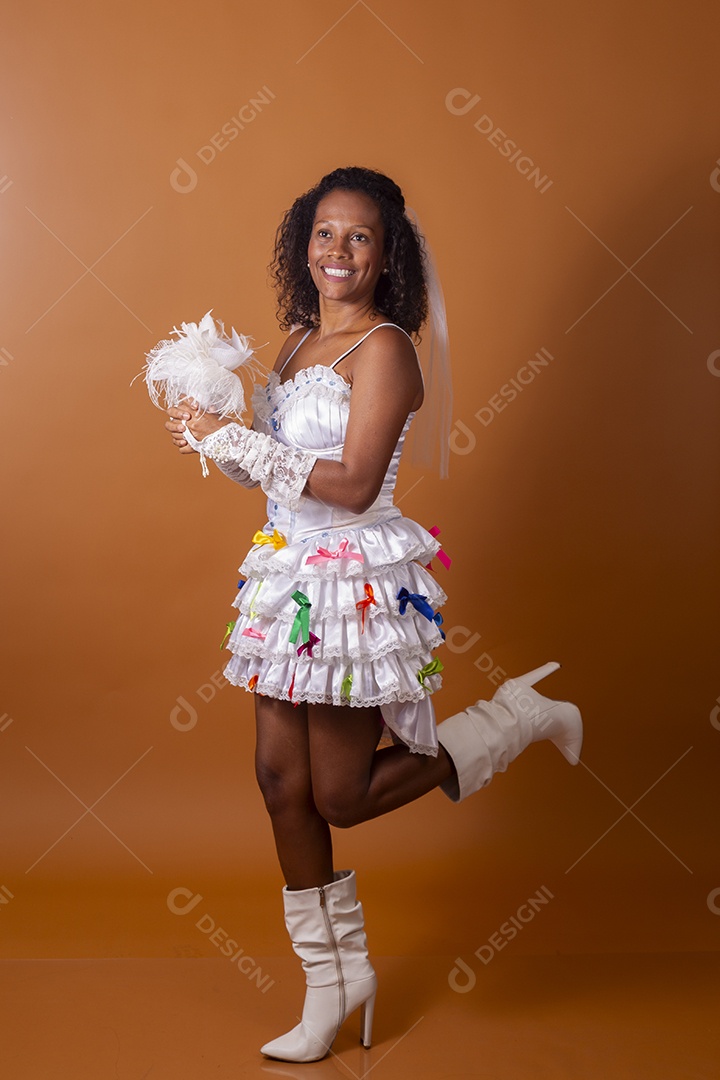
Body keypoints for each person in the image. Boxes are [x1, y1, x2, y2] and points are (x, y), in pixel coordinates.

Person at [164, 166, 583, 1064]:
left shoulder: (389, 348)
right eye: (324, 233)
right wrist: (214, 433)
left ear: (387, 252)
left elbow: (352, 487)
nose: (338, 251)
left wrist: (236, 441)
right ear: (301, 245)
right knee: (281, 785)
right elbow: (270, 473)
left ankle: (513, 718)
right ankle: (334, 983)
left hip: (352, 579)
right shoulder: (289, 346)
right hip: (285, 577)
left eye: (358, 236)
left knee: (341, 797)